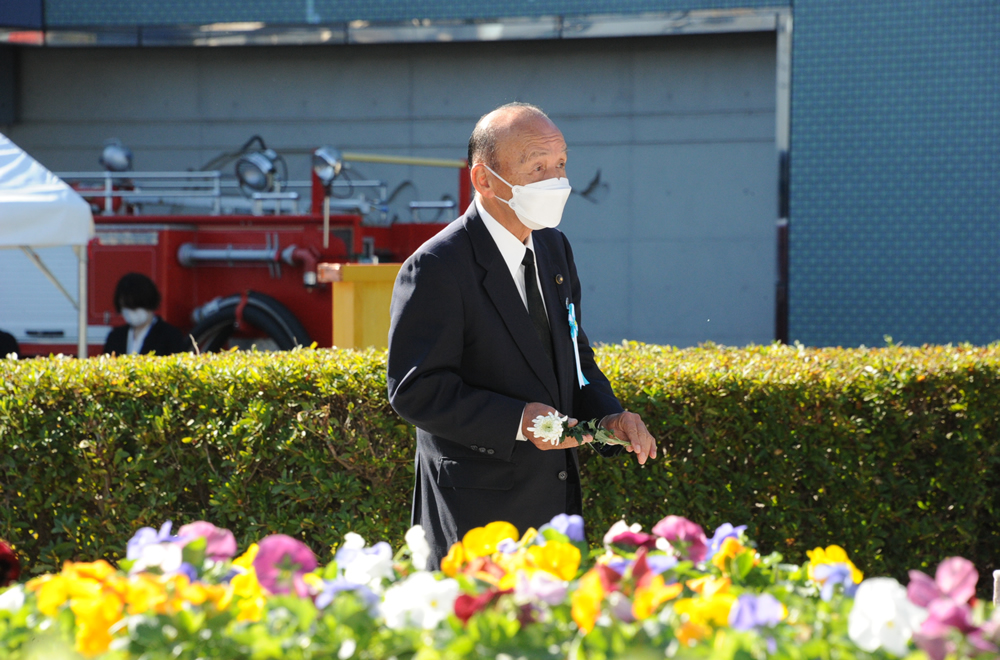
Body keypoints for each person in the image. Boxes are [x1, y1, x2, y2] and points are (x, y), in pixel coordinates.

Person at [387, 102, 657, 569]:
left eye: (561, 164)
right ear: (484, 179)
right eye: (538, 168)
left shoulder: (554, 247)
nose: (557, 181)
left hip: (556, 510)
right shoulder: (436, 267)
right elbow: (415, 391)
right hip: (474, 517)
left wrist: (609, 419)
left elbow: (574, 355)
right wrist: (517, 420)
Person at [102, 272, 194, 356]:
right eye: (126, 307)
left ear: (149, 303)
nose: (131, 313)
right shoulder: (115, 337)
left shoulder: (170, 336)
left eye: (136, 307)